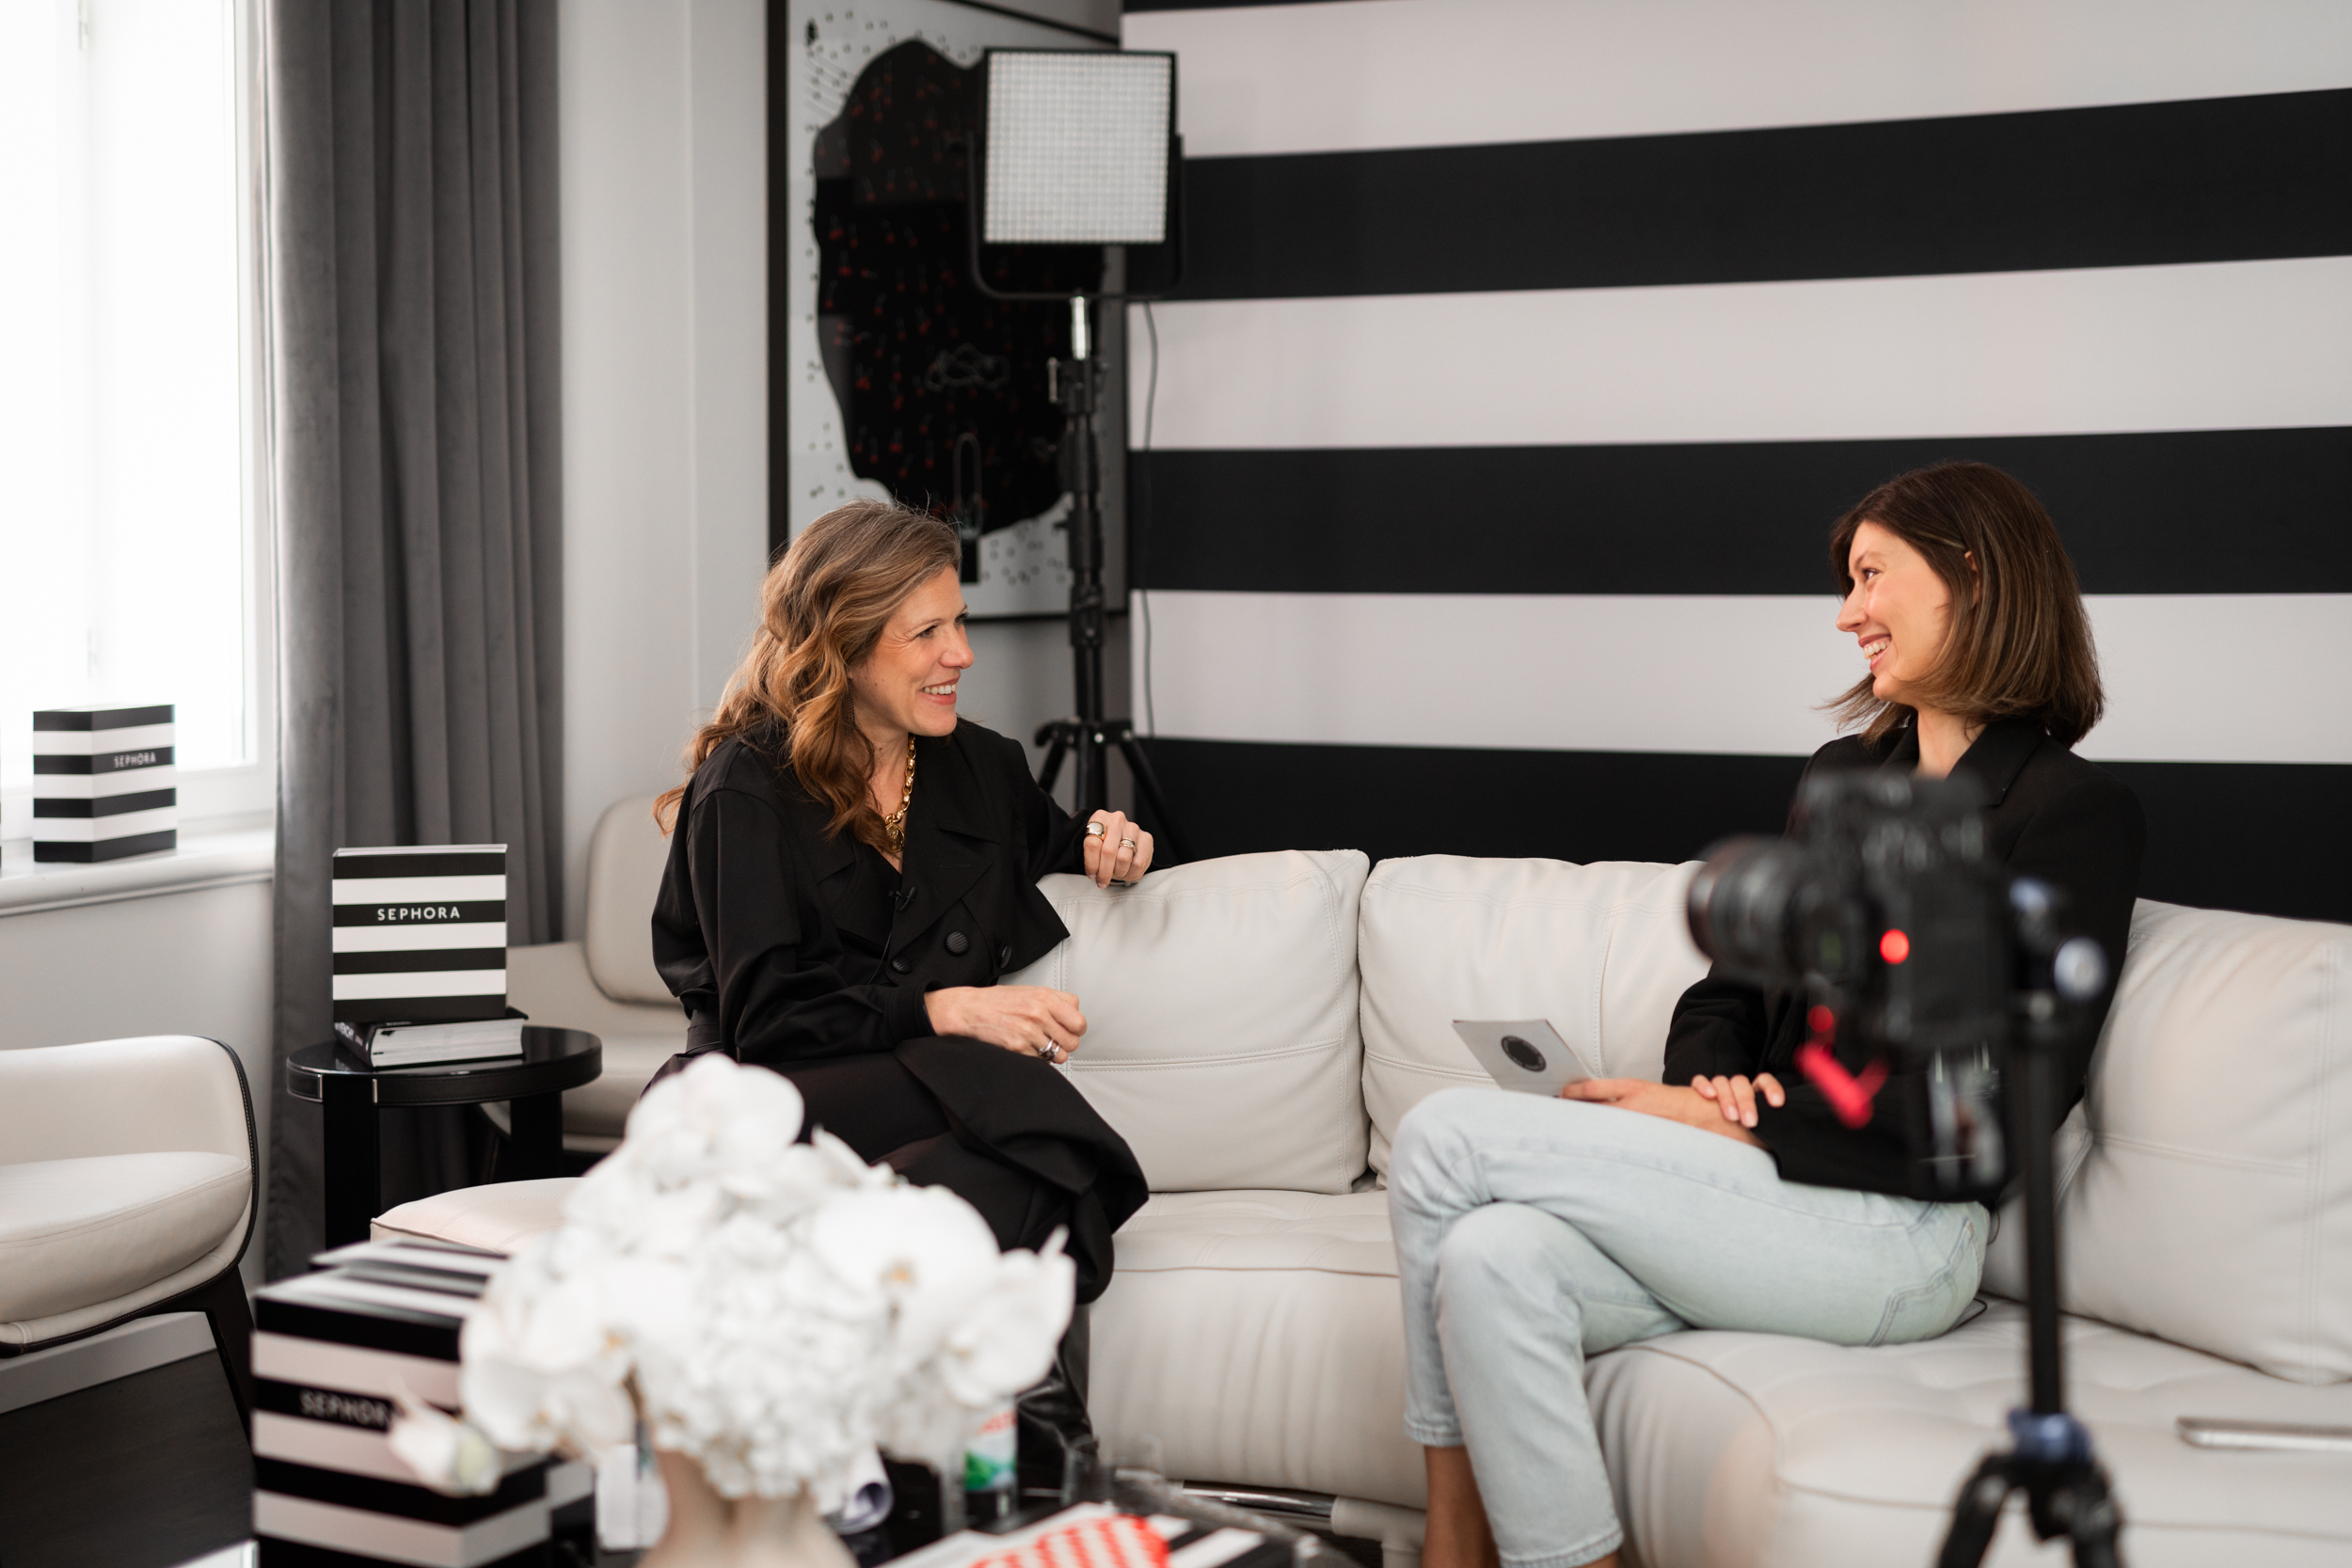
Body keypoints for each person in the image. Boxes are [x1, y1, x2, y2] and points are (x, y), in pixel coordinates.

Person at [1390, 462, 2146, 1568]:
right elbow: (1729, 991)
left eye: (1872, 575)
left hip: (1904, 1229)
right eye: (1848, 583)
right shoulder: (1844, 776)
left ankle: (1451, 1548)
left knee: (1442, 1134)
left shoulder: (2072, 811)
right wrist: (1716, 1083)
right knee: (1490, 1255)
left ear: (1972, 577)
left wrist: (1741, 1120)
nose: (1847, 613)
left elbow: (1991, 1106)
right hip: (1767, 1193)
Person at [648, 497, 1154, 1473]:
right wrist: (945, 1008)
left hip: (903, 1117)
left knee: (1030, 1158)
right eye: (927, 632)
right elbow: (765, 1019)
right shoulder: (746, 786)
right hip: (757, 1104)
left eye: (958, 622)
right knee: (1027, 1102)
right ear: (842, 647)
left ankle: (988, 1415)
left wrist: (1111, 838)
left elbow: (1062, 841)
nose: (961, 653)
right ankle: (1045, 1447)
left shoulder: (983, 770)